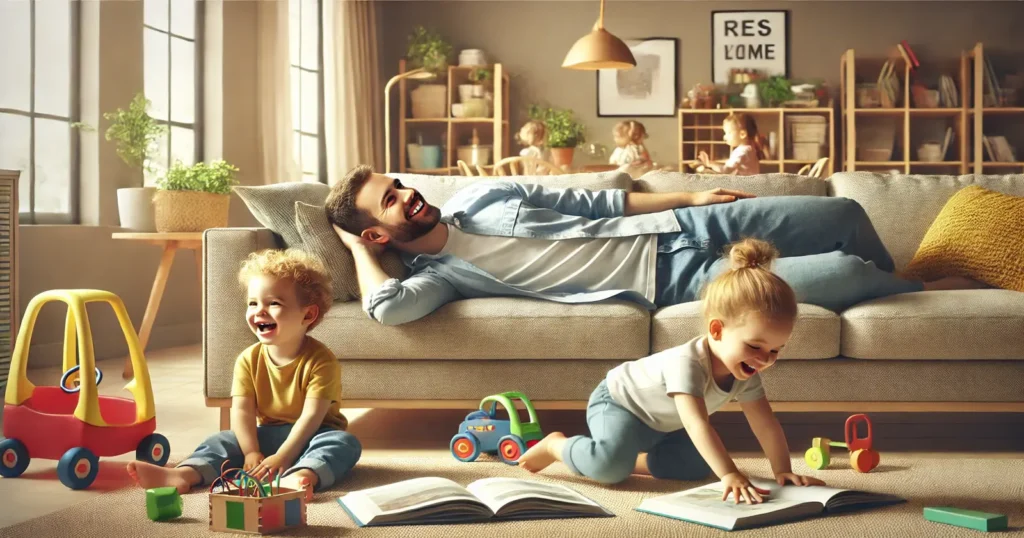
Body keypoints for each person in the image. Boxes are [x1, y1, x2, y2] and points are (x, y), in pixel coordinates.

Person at [324, 165, 981, 327]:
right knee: (842, 270)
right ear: (377, 232)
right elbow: (389, 310)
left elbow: (601, 202)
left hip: (685, 231)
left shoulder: (487, 197)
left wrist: (689, 199)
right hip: (677, 283)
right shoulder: (443, 275)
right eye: (390, 200)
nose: (408, 193)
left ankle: (907, 273)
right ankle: (922, 291)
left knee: (843, 210)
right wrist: (357, 248)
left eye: (401, 183)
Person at [517, 238, 824, 503]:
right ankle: (557, 445)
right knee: (609, 469)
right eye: (755, 347)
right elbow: (697, 424)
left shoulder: (746, 373)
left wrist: (782, 470)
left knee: (694, 467)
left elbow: (765, 424)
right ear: (717, 330)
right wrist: (730, 473)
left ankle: (631, 459)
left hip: (663, 426)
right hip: (620, 403)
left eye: (775, 350)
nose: (764, 359)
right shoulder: (688, 363)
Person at [127, 249, 361, 500]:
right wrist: (251, 452)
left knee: (344, 443)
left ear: (308, 314)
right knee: (223, 440)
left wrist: (283, 458)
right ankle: (184, 474)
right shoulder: (247, 360)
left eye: (274, 303)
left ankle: (302, 475)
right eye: (253, 303)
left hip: (314, 435)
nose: (259, 311)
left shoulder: (322, 361)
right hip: (268, 434)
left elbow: (311, 418)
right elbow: (242, 411)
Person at [697, 112, 767, 176]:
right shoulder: (750, 149)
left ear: (742, 134)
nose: (724, 137)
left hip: (741, 187)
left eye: (728, 133)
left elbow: (726, 170)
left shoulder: (742, 152)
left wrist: (709, 163)